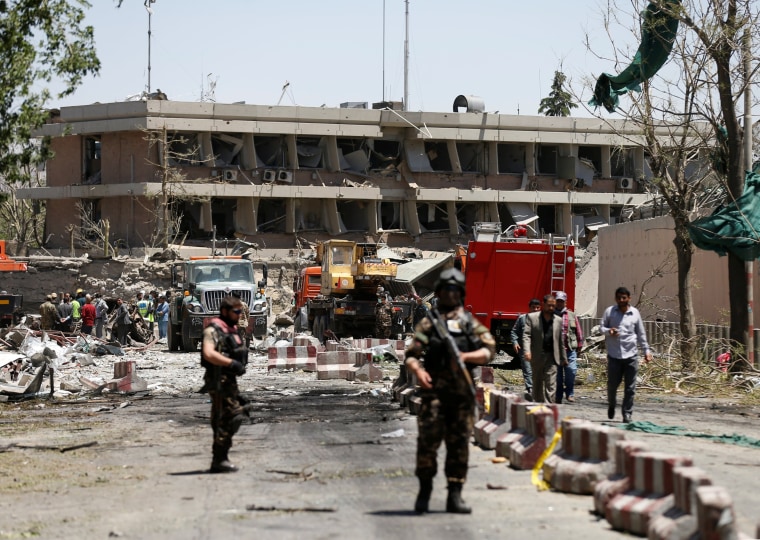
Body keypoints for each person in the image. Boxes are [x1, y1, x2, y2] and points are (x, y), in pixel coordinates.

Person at [404, 268, 496, 514]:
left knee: (459, 446)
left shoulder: (468, 322)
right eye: (446, 290)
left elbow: (489, 349)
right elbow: (411, 355)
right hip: (434, 394)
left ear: (461, 293)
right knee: (427, 444)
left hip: (461, 394)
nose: (450, 295)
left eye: (455, 290)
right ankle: (425, 492)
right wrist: (419, 372)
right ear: (441, 292)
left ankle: (455, 495)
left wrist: (466, 356)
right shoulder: (429, 322)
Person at [201, 295, 249, 473]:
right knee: (229, 417)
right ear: (224, 311)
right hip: (218, 378)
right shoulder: (213, 330)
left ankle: (220, 458)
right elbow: (208, 353)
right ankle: (219, 459)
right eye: (236, 311)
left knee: (226, 416)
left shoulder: (231, 329)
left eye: (240, 311)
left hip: (229, 379)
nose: (239, 314)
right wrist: (230, 364)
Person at [601, 286, 652, 423]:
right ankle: (612, 404)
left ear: (629, 298)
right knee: (612, 385)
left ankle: (627, 413)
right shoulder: (610, 312)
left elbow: (641, 334)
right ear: (615, 298)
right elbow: (601, 327)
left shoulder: (635, 313)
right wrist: (609, 331)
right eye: (619, 298)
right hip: (614, 356)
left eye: (624, 298)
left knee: (630, 387)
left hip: (631, 356)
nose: (621, 300)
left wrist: (646, 350)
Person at [523, 294, 567, 403]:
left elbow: (560, 340)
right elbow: (526, 335)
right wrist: (527, 351)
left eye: (553, 306)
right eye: (549, 305)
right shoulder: (532, 318)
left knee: (551, 384)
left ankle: (549, 407)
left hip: (552, 356)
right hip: (537, 355)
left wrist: (563, 357)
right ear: (543, 304)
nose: (551, 308)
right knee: (537, 384)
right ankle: (538, 406)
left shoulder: (558, 320)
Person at [554, 291, 583, 404]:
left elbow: (578, 331)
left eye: (562, 301)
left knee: (571, 371)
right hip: (555, 351)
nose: (560, 303)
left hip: (570, 349)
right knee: (558, 376)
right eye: (558, 301)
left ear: (565, 302)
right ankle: (558, 395)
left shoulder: (571, 315)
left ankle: (570, 393)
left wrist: (580, 345)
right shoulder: (551, 315)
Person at [510, 298, 541, 400]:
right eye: (533, 307)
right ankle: (530, 389)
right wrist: (515, 342)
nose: (535, 309)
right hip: (525, 349)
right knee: (527, 369)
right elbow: (514, 332)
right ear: (529, 308)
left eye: (537, 307)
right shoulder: (522, 319)